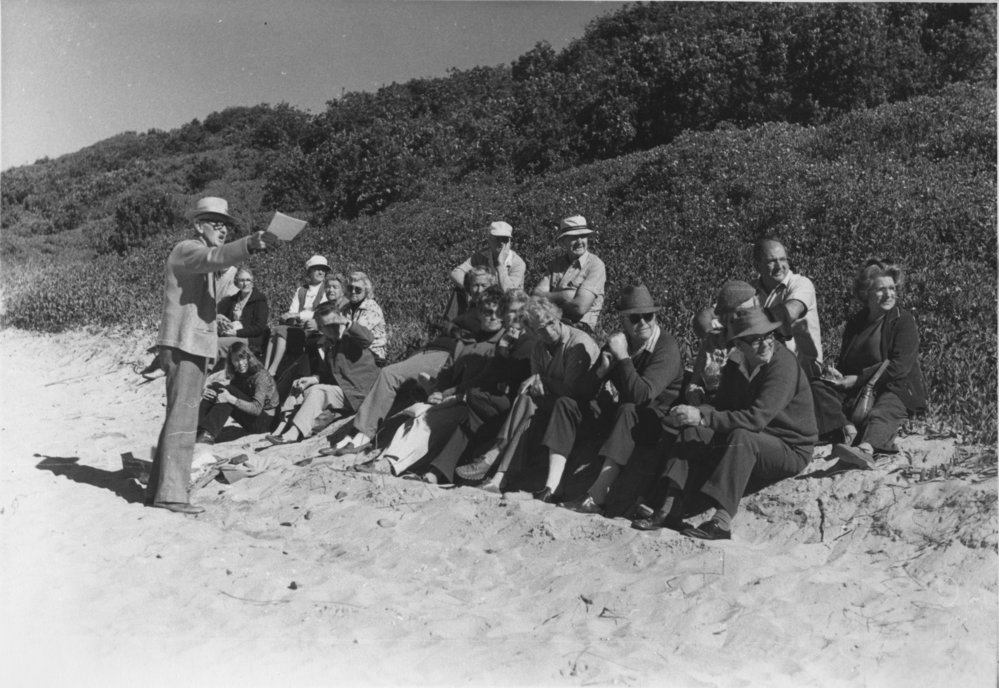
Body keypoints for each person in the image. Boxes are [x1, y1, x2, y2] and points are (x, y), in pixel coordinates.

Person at [632, 307, 817, 540]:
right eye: (756, 340)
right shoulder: (735, 363)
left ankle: (722, 521)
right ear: (740, 345)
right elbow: (722, 407)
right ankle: (669, 509)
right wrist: (692, 413)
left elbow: (756, 419)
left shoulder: (783, 364)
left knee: (742, 437)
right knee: (693, 431)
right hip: (754, 435)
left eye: (768, 336)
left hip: (790, 446)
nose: (766, 344)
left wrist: (703, 416)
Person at [147, 196, 277, 514]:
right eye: (215, 223)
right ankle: (172, 495)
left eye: (226, 225)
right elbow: (215, 257)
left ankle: (159, 489)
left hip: (188, 345)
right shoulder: (188, 250)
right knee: (183, 419)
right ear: (198, 225)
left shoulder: (198, 259)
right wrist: (250, 243)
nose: (222, 229)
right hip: (185, 346)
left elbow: (210, 274)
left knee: (178, 418)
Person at [327, 269, 497, 454]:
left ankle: (361, 434)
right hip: (432, 349)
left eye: (484, 285)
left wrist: (455, 330)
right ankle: (360, 433)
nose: (479, 289)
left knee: (390, 374)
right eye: (475, 285)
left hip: (445, 354)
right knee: (398, 382)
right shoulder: (470, 307)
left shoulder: (490, 311)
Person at [454, 296, 601, 501]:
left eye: (551, 323)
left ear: (558, 317)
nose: (548, 332)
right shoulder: (539, 348)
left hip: (582, 407)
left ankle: (493, 461)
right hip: (554, 403)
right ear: (532, 331)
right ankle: (498, 479)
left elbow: (571, 390)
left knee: (528, 404)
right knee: (526, 403)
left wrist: (544, 380)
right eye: (540, 329)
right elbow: (536, 388)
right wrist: (540, 383)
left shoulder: (578, 342)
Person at [561, 280, 684, 515]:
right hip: (625, 415)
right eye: (635, 318)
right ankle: (550, 484)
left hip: (656, 420)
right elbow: (583, 392)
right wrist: (601, 370)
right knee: (568, 405)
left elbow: (642, 396)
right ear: (623, 320)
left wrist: (624, 358)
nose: (643, 323)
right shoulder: (621, 342)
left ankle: (597, 495)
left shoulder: (665, 346)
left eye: (648, 316)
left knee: (628, 409)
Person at [820, 260, 927, 470]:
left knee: (884, 410)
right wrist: (838, 376)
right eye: (881, 289)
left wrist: (858, 379)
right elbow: (847, 364)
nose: (889, 294)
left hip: (894, 386)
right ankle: (848, 430)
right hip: (859, 391)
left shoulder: (903, 321)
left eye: (892, 288)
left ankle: (866, 449)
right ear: (866, 293)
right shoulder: (855, 323)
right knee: (817, 388)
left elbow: (899, 367)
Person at [422, 289, 534, 484]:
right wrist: (503, 349)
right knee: (470, 415)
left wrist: (505, 350)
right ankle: (439, 471)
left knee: (476, 405)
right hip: (501, 397)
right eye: (511, 311)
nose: (516, 316)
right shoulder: (508, 338)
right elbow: (491, 374)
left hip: (521, 403)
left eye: (520, 311)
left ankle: (461, 468)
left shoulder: (530, 339)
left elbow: (518, 372)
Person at [265, 298, 381, 444]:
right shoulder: (326, 344)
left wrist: (346, 322)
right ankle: (282, 428)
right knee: (299, 387)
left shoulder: (351, 335)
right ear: (320, 327)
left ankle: (292, 435)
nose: (332, 328)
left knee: (317, 392)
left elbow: (368, 339)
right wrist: (313, 379)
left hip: (360, 392)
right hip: (344, 391)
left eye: (334, 324)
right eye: (327, 326)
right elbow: (327, 373)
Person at [751, 238, 823, 376]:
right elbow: (715, 318)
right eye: (772, 261)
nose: (780, 266)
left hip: (803, 369)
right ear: (757, 266)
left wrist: (744, 324)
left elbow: (788, 313)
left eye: (783, 259)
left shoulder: (801, 284)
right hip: (766, 366)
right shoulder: (751, 290)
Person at [685, 280, 759, 405]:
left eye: (752, 311)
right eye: (741, 313)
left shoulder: (760, 343)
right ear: (726, 317)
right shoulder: (712, 343)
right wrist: (694, 392)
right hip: (709, 410)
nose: (748, 317)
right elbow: (694, 382)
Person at [532, 215, 606, 332]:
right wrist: (564, 296)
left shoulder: (595, 265)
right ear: (563, 241)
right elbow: (536, 297)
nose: (580, 242)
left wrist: (549, 297)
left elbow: (579, 308)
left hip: (578, 327)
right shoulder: (555, 264)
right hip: (551, 323)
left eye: (583, 236)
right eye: (574, 237)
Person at [196, 342, 279, 444]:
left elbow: (257, 409)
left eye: (243, 358)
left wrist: (230, 398)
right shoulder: (238, 373)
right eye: (236, 360)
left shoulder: (260, 376)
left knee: (228, 393)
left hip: (266, 423)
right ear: (231, 362)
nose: (240, 363)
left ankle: (207, 434)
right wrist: (207, 392)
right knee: (216, 387)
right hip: (251, 417)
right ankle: (195, 428)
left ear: (249, 357)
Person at [264, 254, 331, 376]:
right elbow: (292, 310)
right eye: (317, 269)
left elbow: (320, 312)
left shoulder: (327, 290)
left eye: (323, 269)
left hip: (314, 328)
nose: (321, 272)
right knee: (276, 330)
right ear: (309, 271)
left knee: (282, 331)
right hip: (300, 326)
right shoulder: (301, 290)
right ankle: (266, 367)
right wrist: (292, 317)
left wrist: (298, 315)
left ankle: (272, 370)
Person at [450, 221, 527, 292]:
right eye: (496, 239)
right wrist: (471, 291)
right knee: (458, 291)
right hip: (485, 300)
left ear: (509, 242)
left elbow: (509, 292)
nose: (501, 243)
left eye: (505, 239)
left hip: (507, 304)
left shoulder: (517, 263)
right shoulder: (481, 256)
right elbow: (456, 273)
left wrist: (500, 266)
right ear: (489, 239)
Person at [216, 266, 270, 358]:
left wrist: (236, 333)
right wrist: (219, 318)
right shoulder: (232, 300)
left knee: (217, 345)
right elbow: (215, 312)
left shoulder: (259, 300)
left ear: (252, 282)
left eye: (248, 280)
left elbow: (259, 327)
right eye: (242, 280)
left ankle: (207, 371)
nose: (245, 284)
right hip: (231, 336)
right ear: (236, 283)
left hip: (251, 340)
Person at [340, 271, 388, 362]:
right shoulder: (345, 308)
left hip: (372, 355)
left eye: (358, 289)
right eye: (350, 288)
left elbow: (358, 334)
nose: (353, 292)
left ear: (366, 290)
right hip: (352, 351)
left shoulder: (371, 308)